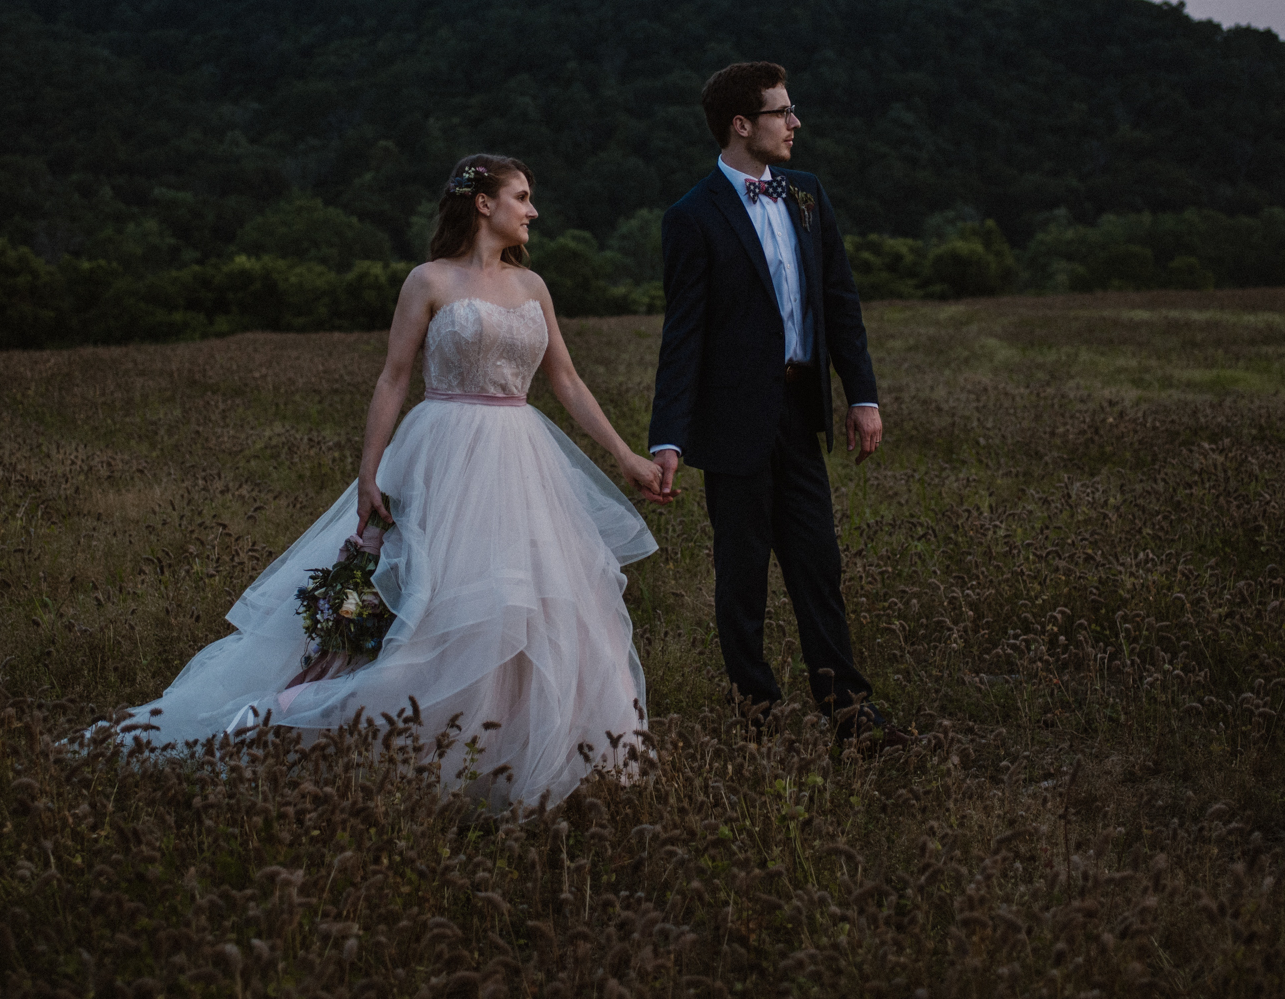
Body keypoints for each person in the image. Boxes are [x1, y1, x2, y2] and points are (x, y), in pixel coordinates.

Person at [118, 155, 671, 807]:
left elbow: (567, 381)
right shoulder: (428, 280)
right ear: (484, 204)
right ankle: (379, 737)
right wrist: (369, 471)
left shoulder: (534, 288)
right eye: (522, 196)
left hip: (521, 458)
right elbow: (393, 376)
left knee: (529, 602)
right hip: (443, 452)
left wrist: (626, 456)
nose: (534, 210)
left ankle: (509, 754)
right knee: (435, 603)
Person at [648, 61, 905, 748]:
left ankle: (850, 715)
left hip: (801, 412)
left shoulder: (808, 195)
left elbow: (840, 304)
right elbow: (684, 337)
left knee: (818, 563)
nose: (795, 123)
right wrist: (667, 437)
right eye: (782, 112)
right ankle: (756, 717)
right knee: (742, 578)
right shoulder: (691, 216)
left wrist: (863, 396)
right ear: (742, 124)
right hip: (732, 424)